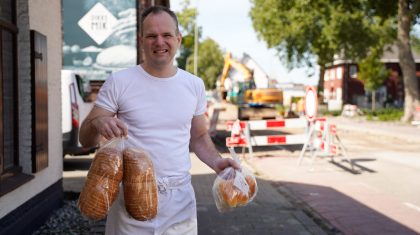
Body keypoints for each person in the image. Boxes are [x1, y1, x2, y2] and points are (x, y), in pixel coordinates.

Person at [79, 5, 239, 235]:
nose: (159, 42)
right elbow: (84, 139)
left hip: (179, 203)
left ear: (178, 39)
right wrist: (97, 122)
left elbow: (199, 137)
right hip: (131, 202)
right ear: (141, 40)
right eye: (151, 36)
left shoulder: (194, 85)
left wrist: (217, 162)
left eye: (166, 35)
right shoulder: (119, 81)